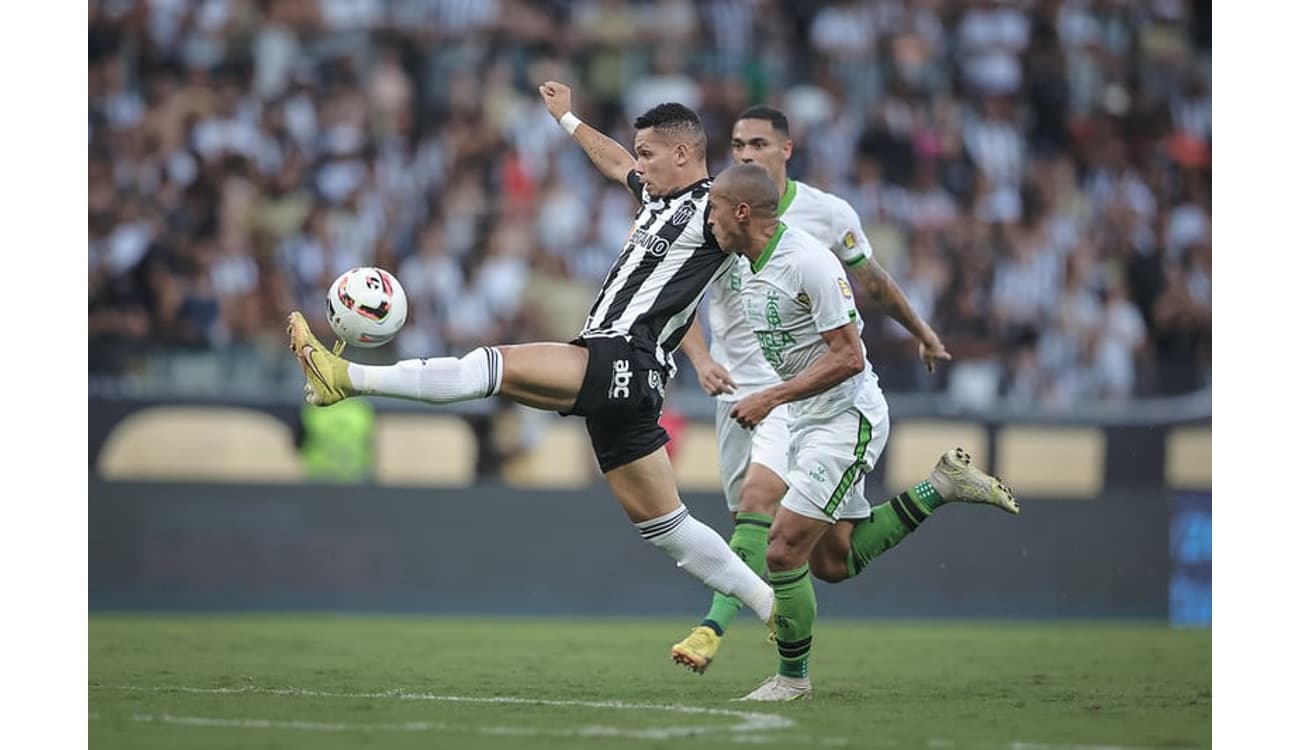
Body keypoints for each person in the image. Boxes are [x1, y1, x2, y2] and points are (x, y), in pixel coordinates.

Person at [285, 81, 775, 628]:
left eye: (649, 154)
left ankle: (346, 377)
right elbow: (615, 162)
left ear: (683, 153)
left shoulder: (713, 207)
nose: (639, 163)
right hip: (633, 381)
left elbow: (759, 229)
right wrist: (568, 118)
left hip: (625, 356)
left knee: (494, 366)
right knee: (669, 531)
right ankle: (775, 607)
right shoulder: (656, 197)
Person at [670, 106, 1014, 677]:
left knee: (764, 512)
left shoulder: (823, 221)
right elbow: (678, 299)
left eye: (758, 142)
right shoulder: (719, 212)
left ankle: (714, 629)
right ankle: (937, 489)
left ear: (787, 149)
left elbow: (872, 284)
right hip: (737, 396)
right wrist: (703, 360)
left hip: (796, 394)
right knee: (833, 559)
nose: (746, 152)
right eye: (737, 144)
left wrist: (921, 330)